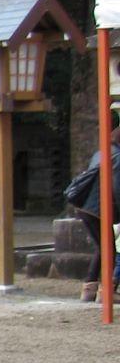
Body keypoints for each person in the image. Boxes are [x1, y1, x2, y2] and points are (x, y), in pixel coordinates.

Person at [70, 124, 120, 302]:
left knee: (103, 247)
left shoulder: (101, 153)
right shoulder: (117, 157)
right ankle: (107, 290)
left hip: (86, 207)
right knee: (110, 249)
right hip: (99, 208)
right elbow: (117, 187)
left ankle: (89, 287)